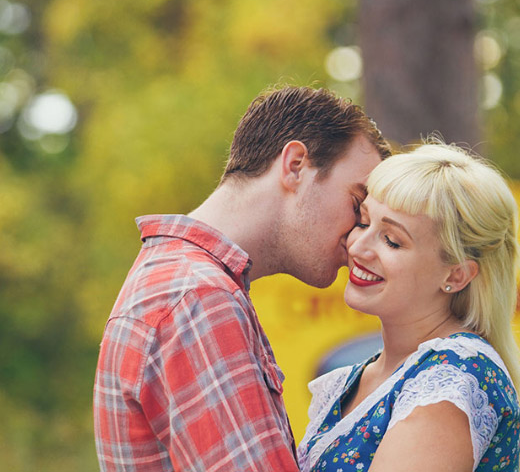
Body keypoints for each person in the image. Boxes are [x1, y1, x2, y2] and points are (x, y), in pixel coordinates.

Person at [93, 85, 391, 472]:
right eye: (356, 204)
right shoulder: (199, 298)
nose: (357, 236)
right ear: (296, 164)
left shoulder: (184, 283)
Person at [297, 142, 520, 472]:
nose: (358, 247)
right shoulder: (358, 377)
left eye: (392, 240)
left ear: (456, 274)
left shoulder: (452, 377)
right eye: (363, 222)